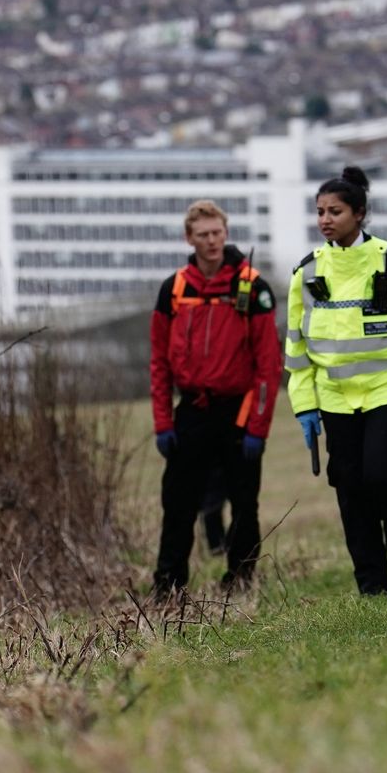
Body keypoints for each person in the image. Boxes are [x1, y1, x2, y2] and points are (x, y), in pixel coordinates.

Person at [286, 166, 387, 595]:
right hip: (335, 400)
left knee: (382, 476)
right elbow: (297, 352)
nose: (324, 219)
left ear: (359, 213)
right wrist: (304, 406)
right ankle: (371, 582)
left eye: (334, 211)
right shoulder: (306, 274)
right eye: (320, 211)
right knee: (350, 489)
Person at [149, 200, 283, 597]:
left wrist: (257, 427)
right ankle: (168, 586)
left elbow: (268, 366)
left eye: (217, 233)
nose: (212, 241)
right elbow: (158, 362)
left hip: (238, 412)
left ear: (226, 233)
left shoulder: (252, 286)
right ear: (189, 238)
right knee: (178, 504)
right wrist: (162, 421)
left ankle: (241, 581)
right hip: (191, 410)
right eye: (203, 235)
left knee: (244, 503)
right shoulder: (173, 290)